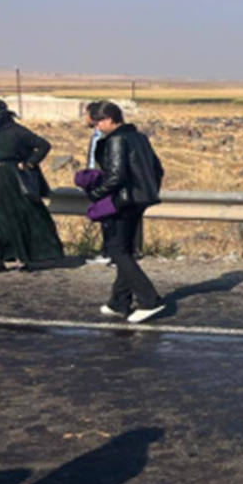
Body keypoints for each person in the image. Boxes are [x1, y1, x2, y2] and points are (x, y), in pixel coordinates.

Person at [87, 101, 167, 323]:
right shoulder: (139, 137)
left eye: (97, 123)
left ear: (109, 119)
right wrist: (147, 190)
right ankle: (119, 302)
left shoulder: (116, 140)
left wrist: (95, 194)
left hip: (122, 202)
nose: (96, 128)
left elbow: (115, 176)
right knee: (123, 250)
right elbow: (158, 168)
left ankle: (150, 300)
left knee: (116, 249)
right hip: (138, 200)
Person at [0, 99, 64, 270]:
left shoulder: (17, 132)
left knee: (19, 218)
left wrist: (30, 163)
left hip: (11, 181)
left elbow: (43, 145)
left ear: (1, 114)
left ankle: (27, 258)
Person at [81, 101, 113, 267]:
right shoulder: (95, 135)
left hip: (106, 180)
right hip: (96, 179)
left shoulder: (108, 136)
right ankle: (108, 250)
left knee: (110, 218)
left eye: (86, 114)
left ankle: (112, 252)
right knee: (104, 217)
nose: (84, 118)